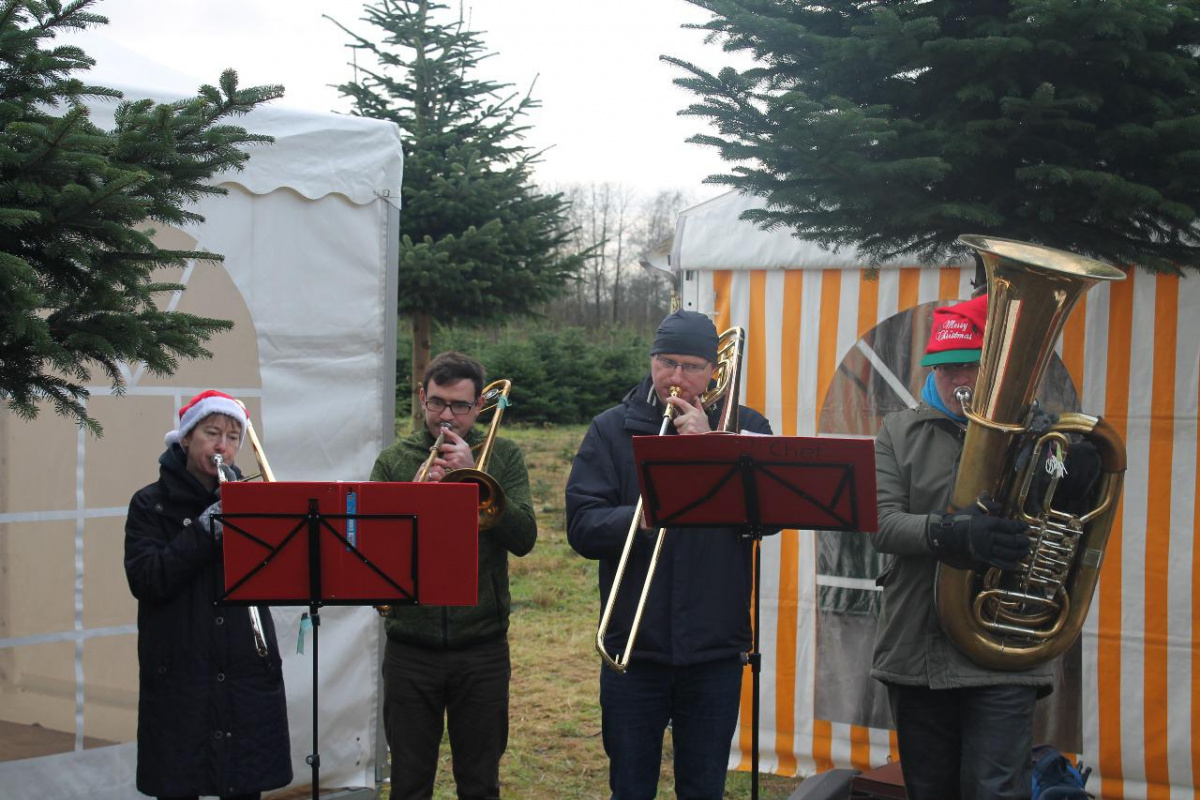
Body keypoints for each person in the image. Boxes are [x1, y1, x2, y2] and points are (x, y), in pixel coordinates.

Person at [565, 310, 774, 800]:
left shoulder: (748, 427)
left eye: (692, 366)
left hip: (715, 648)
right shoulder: (610, 429)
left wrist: (712, 448)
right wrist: (635, 519)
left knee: (704, 789)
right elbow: (580, 527)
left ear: (713, 372)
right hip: (633, 650)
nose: (676, 378)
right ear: (652, 360)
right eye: (667, 362)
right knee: (630, 788)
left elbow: (771, 516)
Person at [870, 293, 1044, 800]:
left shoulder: (1037, 431)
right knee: (932, 789)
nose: (960, 381)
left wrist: (1069, 474)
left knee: (998, 790)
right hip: (917, 644)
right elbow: (881, 525)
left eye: (970, 366)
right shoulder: (898, 431)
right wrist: (950, 533)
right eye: (947, 369)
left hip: (1004, 641)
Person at [371, 351, 537, 800]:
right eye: (437, 403)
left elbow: (524, 538)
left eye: (460, 406)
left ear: (478, 406)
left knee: (481, 783)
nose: (447, 416)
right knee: (408, 784)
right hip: (410, 648)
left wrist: (470, 478)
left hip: (482, 648)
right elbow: (374, 557)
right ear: (422, 398)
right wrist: (417, 500)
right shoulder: (393, 462)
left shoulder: (501, 454)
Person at [124, 390, 292, 800]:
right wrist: (205, 529)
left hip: (244, 671)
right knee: (180, 784)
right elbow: (147, 579)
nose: (223, 446)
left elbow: (278, 575)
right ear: (185, 438)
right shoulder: (149, 504)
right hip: (182, 674)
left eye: (233, 437)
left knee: (244, 786)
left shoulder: (252, 500)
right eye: (212, 433)